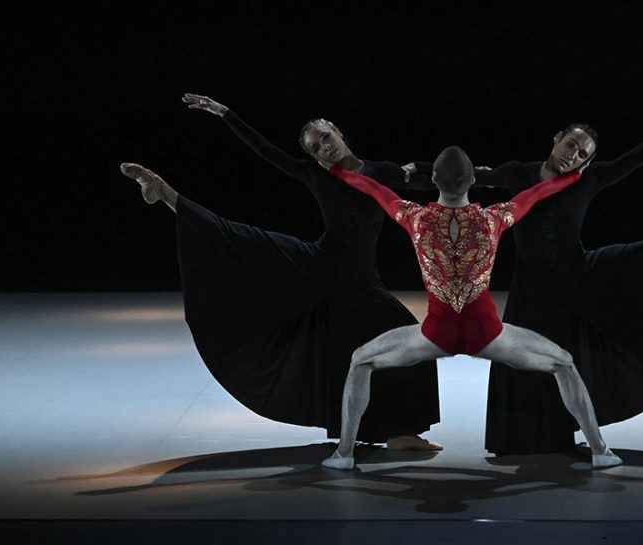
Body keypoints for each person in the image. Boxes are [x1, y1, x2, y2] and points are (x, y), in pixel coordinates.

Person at [412, 110, 643, 454]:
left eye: (582, 154)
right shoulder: (518, 174)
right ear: (556, 137)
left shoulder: (587, 181)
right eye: (571, 145)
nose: (573, 156)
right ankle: (525, 437)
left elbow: (640, 156)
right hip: (533, 290)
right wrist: (409, 172)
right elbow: (460, 176)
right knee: (527, 363)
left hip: (580, 277)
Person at [116, 93, 443, 451]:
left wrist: (464, 178)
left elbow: (432, 178)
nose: (323, 148)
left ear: (339, 133)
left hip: (362, 284)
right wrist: (227, 114)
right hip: (320, 267)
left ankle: (396, 432)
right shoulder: (315, 177)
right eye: (315, 148)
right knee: (240, 238)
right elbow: (265, 151)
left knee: (410, 346)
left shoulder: (383, 172)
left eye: (325, 138)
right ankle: (163, 192)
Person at [321, 146, 623, 470]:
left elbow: (371, 187)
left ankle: (344, 454)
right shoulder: (493, 218)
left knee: (360, 361)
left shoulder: (415, 217)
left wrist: (334, 170)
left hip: (434, 335)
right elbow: (539, 192)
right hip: (488, 334)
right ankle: (600, 451)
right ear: (474, 180)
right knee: (563, 363)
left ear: (434, 179)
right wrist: (578, 173)